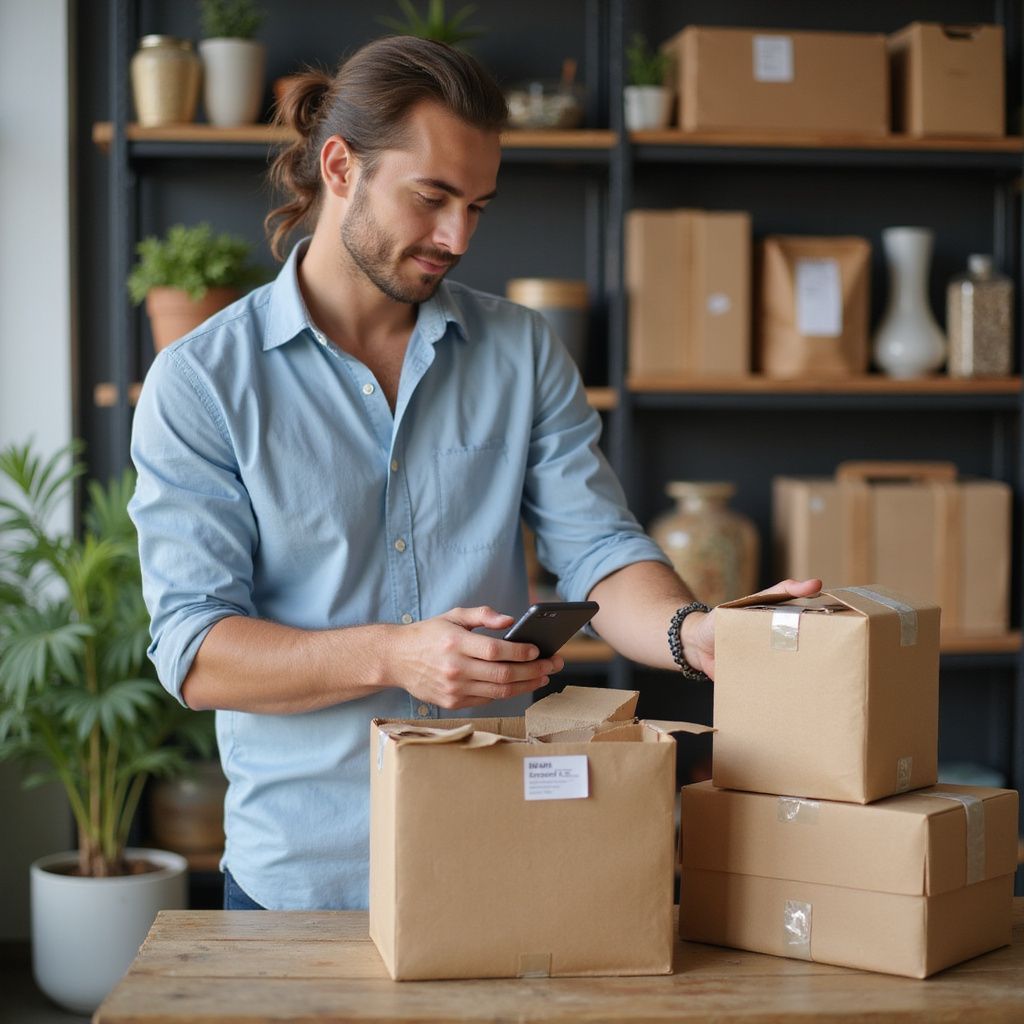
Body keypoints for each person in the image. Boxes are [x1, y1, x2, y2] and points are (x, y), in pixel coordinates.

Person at [129, 35, 819, 912]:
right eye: (432, 197)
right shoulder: (204, 382)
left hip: (502, 858)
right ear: (341, 167)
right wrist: (397, 653)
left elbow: (600, 547)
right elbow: (195, 652)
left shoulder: (523, 351)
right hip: (305, 884)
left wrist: (695, 634)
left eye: (479, 207)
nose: (457, 236)